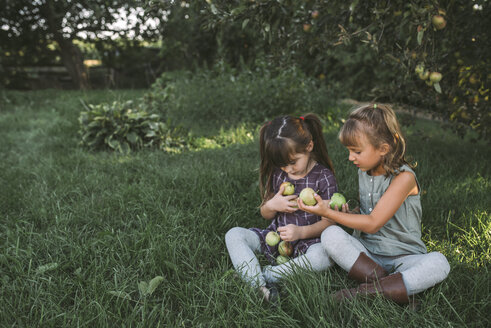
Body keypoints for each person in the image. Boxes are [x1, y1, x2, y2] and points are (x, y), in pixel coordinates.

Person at [298, 103, 450, 305]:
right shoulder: (364, 171)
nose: (350, 157)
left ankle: (361, 293)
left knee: (439, 263)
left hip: (404, 257)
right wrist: (347, 212)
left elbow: (373, 222)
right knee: (330, 235)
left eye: (357, 151)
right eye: (349, 151)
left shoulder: (404, 178)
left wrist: (328, 213)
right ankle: (393, 289)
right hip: (367, 256)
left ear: (383, 149)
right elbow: (368, 212)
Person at [225, 114, 338, 302]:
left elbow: (330, 221)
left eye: (293, 162)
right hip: (274, 239)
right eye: (282, 165)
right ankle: (258, 286)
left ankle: (266, 276)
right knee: (233, 234)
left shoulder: (323, 177)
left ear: (309, 146)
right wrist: (272, 205)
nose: (288, 170)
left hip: (308, 243)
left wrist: (301, 232)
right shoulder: (280, 174)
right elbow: (265, 213)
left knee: (324, 257)